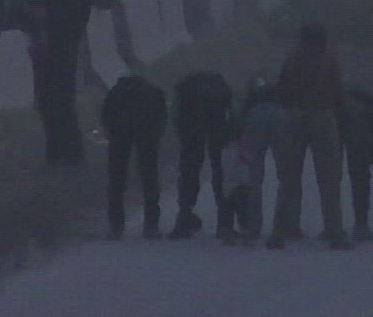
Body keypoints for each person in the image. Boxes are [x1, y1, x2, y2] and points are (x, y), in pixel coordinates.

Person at [268, 23, 350, 250]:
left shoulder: (292, 58)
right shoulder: (329, 59)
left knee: (288, 178)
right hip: (323, 116)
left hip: (294, 117)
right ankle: (335, 233)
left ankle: (279, 232)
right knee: (329, 179)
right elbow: (339, 92)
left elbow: (280, 89)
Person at [26, 0, 93, 166]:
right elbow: (33, 6)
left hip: (64, 47)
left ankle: (69, 150)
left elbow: (80, 17)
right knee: (49, 100)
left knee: (61, 99)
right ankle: (57, 150)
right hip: (52, 47)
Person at [101, 73, 167, 240]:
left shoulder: (115, 92)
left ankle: (116, 227)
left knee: (116, 181)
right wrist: (156, 133)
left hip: (119, 136)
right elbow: (162, 116)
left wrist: (111, 132)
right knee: (149, 179)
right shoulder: (153, 91)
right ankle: (151, 226)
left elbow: (105, 116)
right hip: (147, 136)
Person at [170, 70, 234, 240]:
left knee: (189, 172)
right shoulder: (220, 86)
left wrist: (181, 133)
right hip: (218, 128)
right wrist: (232, 132)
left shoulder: (184, 87)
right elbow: (233, 110)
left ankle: (183, 220)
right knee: (220, 172)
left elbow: (175, 112)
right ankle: (225, 224)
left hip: (191, 130)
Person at [229, 77, 286, 245]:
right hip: (278, 116)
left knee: (254, 177)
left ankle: (253, 227)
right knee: (285, 176)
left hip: (254, 118)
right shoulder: (277, 93)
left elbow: (239, 113)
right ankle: (280, 229)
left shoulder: (250, 94)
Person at [339, 85, 373, 243]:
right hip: (360, 120)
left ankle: (332, 226)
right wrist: (371, 156)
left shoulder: (339, 95)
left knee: (330, 175)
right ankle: (361, 225)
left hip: (333, 112)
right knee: (359, 176)